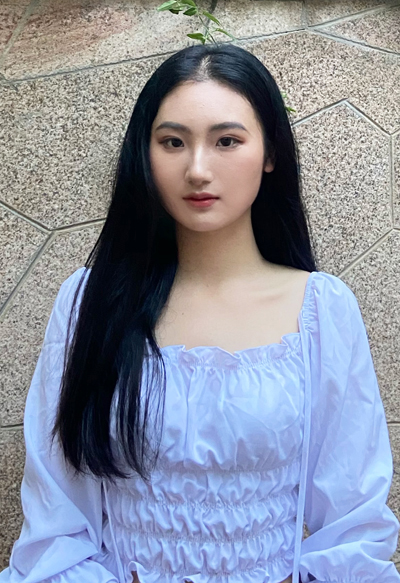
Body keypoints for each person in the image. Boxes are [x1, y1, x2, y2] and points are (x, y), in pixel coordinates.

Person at [0, 42, 399, 583]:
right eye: (172, 142)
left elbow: (354, 522)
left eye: (227, 141)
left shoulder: (322, 310)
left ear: (271, 152)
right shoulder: (88, 303)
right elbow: (56, 521)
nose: (197, 169)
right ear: (144, 154)